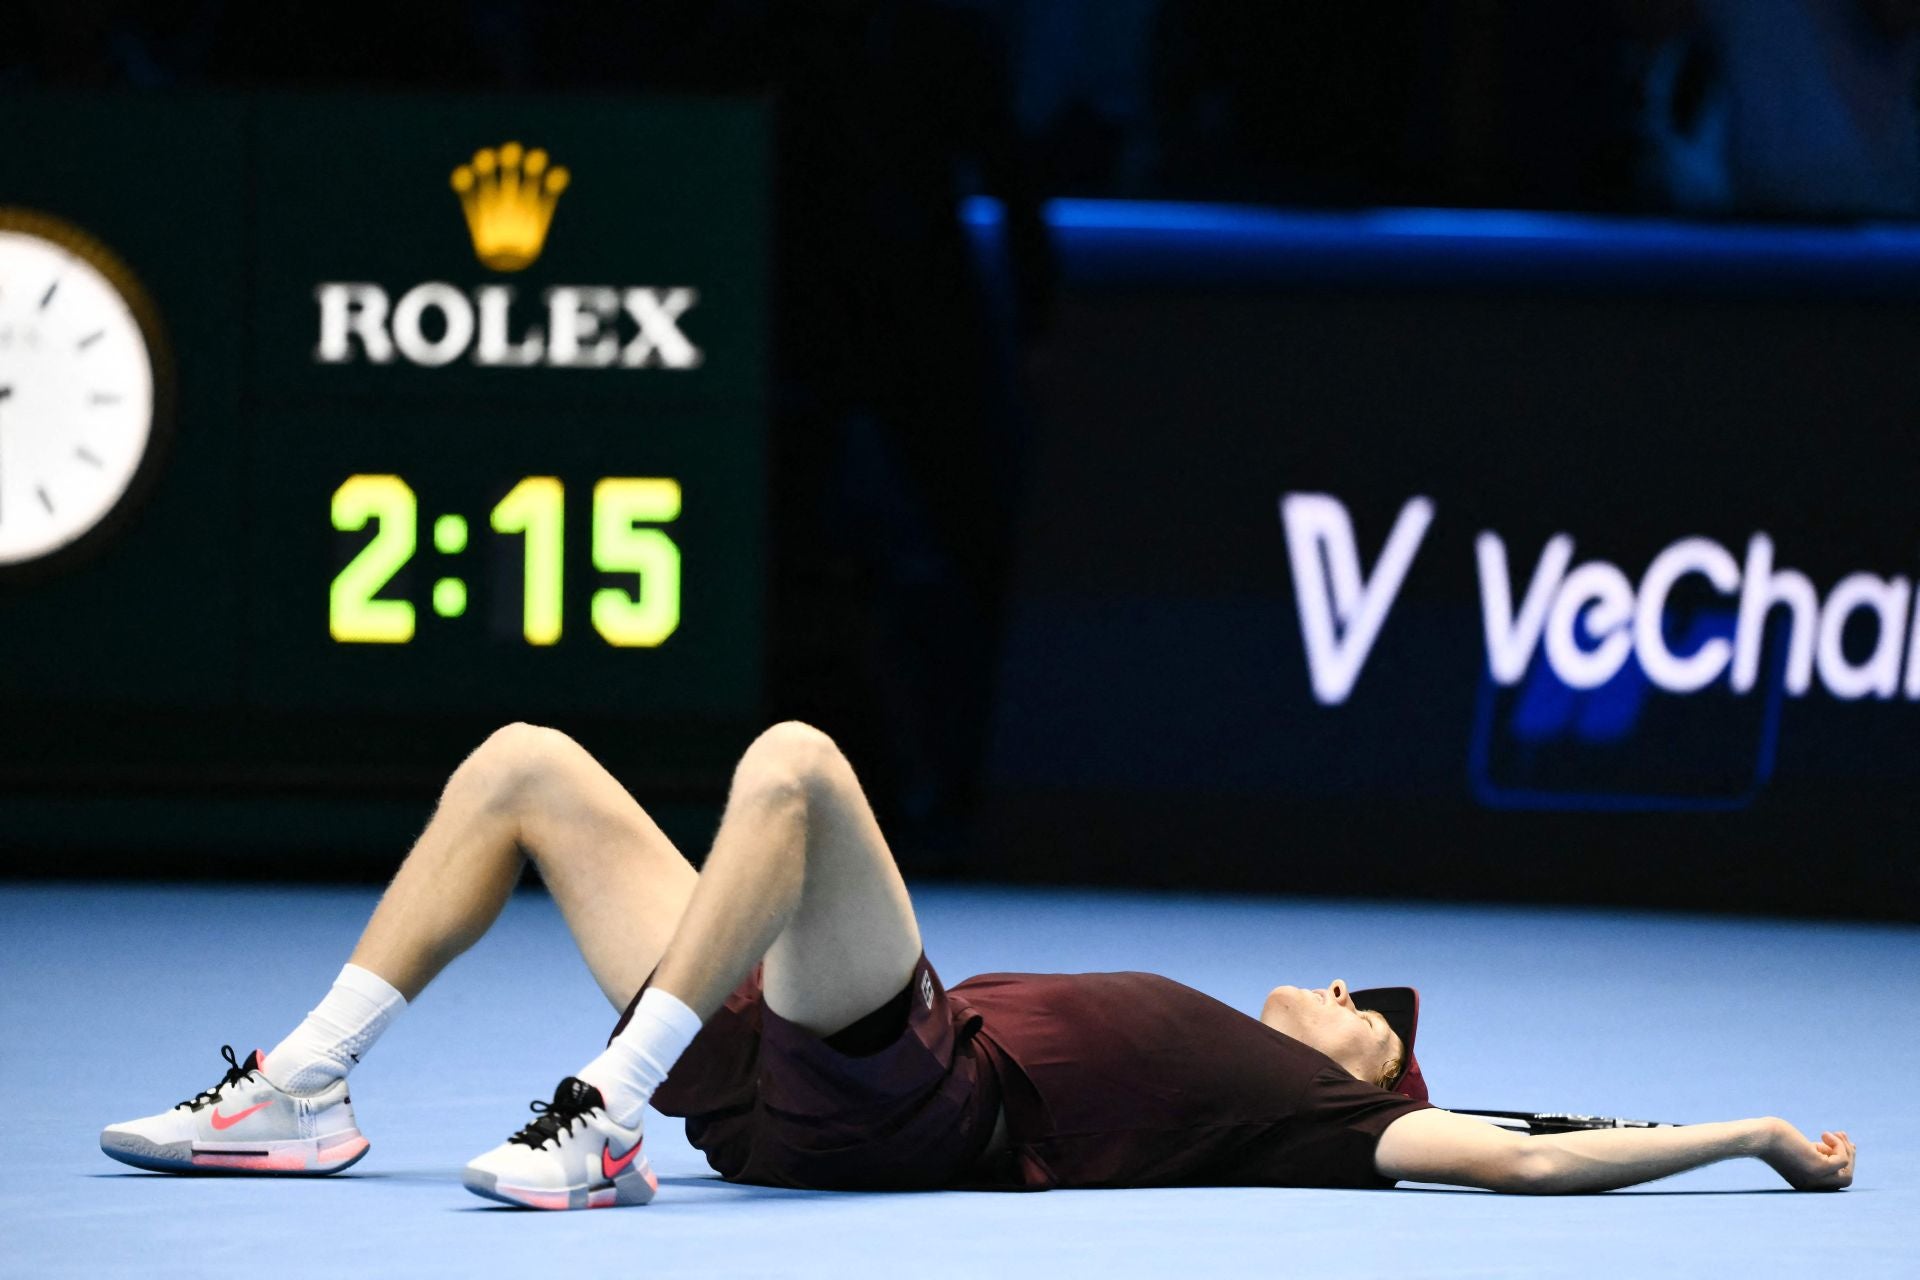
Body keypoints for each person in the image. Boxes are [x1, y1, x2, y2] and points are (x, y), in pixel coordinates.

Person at [100, 722, 1858, 1205]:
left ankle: (599, 1116)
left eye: (1359, 1013)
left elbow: (1532, 1152)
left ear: (1362, 1074)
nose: (1331, 988)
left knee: (794, 762)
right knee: (527, 766)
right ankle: (305, 1086)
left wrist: (1759, 1136)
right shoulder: (1271, 1059)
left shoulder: (1324, 1124)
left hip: (910, 1099)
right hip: (791, 1065)